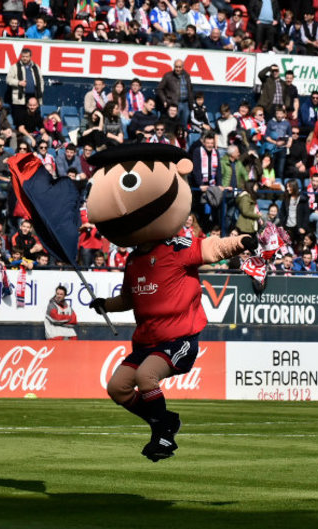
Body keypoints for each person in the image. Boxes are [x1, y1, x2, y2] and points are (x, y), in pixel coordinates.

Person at [85, 143, 254, 462]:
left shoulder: (176, 248)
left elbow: (211, 249)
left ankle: (163, 436)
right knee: (117, 388)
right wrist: (104, 305)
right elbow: (129, 300)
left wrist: (241, 242)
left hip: (178, 340)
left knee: (145, 377)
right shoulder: (133, 260)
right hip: (146, 341)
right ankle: (162, 420)